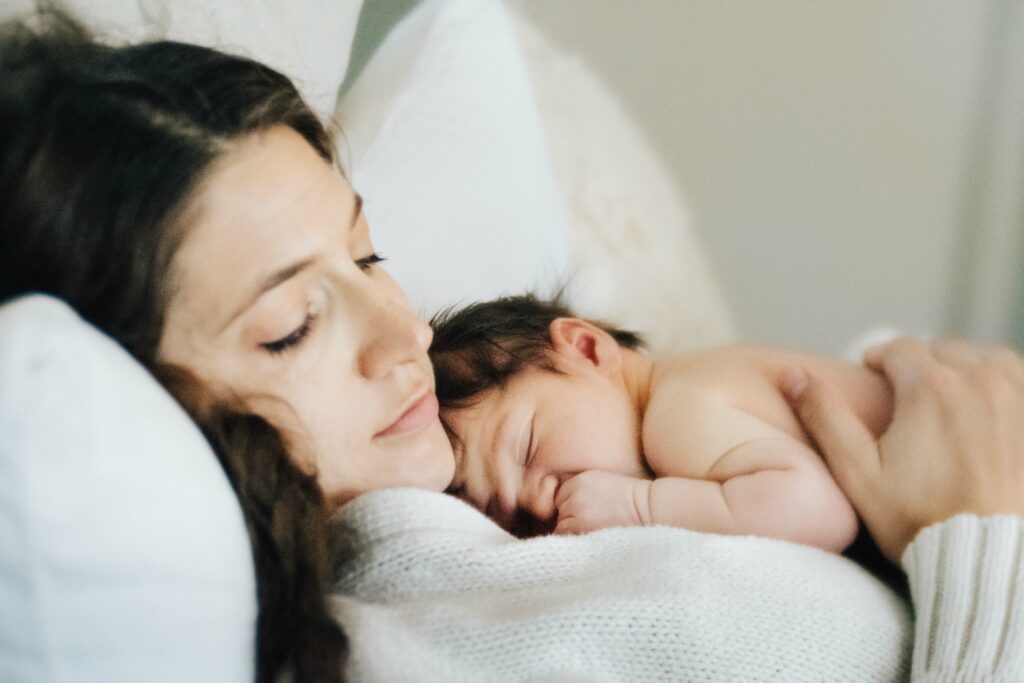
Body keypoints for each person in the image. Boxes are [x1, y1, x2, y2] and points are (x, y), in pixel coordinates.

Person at [1, 9, 1020, 682]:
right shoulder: (402, 635)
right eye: (292, 326)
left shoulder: (494, 482)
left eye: (370, 253)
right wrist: (987, 538)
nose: (406, 333)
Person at [429, 293, 891, 551]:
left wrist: (641, 506)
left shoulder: (677, 413)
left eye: (528, 446)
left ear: (587, 350)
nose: (533, 503)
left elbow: (818, 512)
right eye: (501, 513)